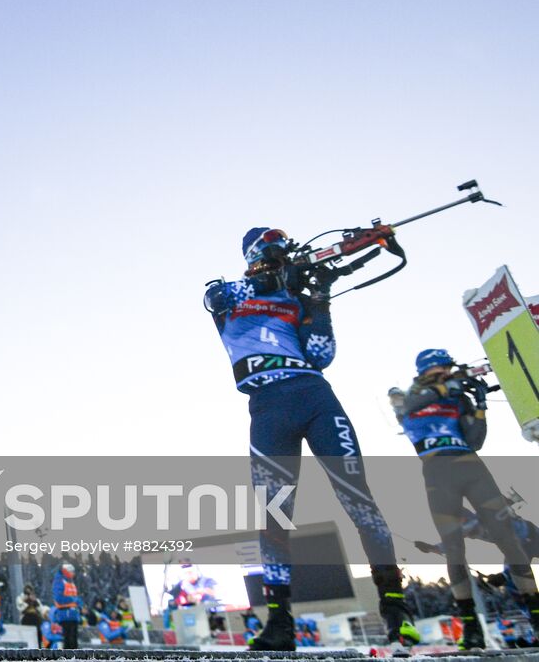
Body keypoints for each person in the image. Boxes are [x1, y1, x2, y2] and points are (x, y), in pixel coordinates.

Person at [205, 227, 419, 651]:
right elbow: (215, 300)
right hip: (268, 407)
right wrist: (271, 279)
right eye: (274, 254)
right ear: (256, 256)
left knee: (357, 496)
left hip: (315, 398)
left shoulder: (296, 298)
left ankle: (396, 608)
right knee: (275, 512)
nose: (282, 261)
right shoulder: (229, 292)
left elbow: (321, 354)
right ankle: (280, 621)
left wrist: (318, 297)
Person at [399, 348, 539, 648]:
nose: (447, 374)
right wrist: (442, 387)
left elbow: (475, 440)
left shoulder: (455, 397)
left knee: (510, 542)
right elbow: (406, 409)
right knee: (454, 550)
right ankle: (470, 627)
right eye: (441, 369)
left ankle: (537, 617)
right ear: (426, 370)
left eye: (449, 370)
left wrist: (480, 404)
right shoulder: (409, 394)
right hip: (438, 473)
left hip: (473, 469)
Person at [50, 562, 82, 648]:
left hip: (73, 614)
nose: (73, 573)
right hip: (65, 614)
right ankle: (68, 657)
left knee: (74, 639)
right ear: (66, 571)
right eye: (71, 571)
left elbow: (74, 597)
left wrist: (78, 602)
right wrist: (73, 600)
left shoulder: (70, 582)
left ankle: (76, 657)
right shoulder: (59, 581)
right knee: (68, 638)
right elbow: (59, 599)